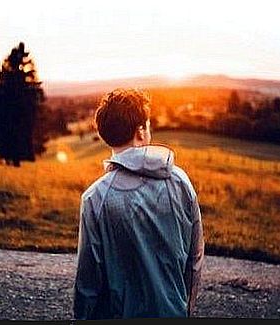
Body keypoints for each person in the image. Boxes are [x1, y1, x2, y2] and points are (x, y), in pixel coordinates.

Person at [73, 88, 204, 320]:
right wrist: (185, 310)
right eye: (149, 124)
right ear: (141, 131)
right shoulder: (181, 181)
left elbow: (88, 281)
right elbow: (194, 260)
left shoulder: (95, 198)